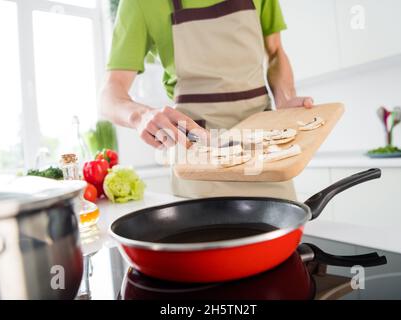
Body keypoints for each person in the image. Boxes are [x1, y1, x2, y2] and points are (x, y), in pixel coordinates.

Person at [100, 0, 313, 200]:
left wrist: (285, 100)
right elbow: (110, 95)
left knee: (279, 228)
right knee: (205, 234)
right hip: (197, 155)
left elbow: (275, 51)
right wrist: (141, 116)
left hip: (262, 148)